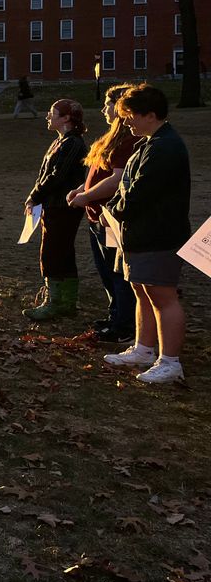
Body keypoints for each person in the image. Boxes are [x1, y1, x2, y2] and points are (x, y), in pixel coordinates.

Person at [102, 85, 191, 384]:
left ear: (150, 115)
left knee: (163, 295)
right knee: (142, 291)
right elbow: (129, 186)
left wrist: (114, 210)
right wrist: (116, 207)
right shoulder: (148, 143)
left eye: (130, 116)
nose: (126, 122)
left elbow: (140, 192)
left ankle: (170, 361)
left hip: (159, 235)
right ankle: (143, 349)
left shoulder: (165, 146)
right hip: (139, 234)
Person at [65, 84, 138, 343]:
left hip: (111, 219)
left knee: (118, 272)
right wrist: (80, 189)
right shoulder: (111, 138)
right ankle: (115, 314)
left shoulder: (129, 140)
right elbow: (98, 173)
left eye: (108, 104)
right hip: (96, 217)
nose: (104, 109)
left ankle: (125, 325)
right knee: (106, 271)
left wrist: (86, 196)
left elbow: (117, 179)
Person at [22, 99, 88, 321]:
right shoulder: (60, 142)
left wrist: (34, 196)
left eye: (52, 113)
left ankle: (56, 302)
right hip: (53, 205)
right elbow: (45, 175)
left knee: (53, 253)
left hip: (63, 206)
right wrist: (35, 197)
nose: (48, 116)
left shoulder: (73, 144)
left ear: (66, 118)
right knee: (58, 251)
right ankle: (64, 301)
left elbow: (56, 176)